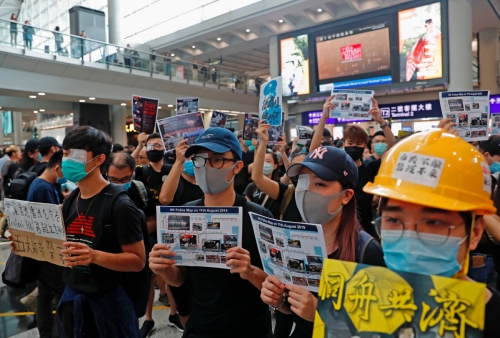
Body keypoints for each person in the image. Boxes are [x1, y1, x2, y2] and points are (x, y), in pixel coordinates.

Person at [363, 128, 500, 337]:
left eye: (433, 222)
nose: (409, 239)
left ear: (474, 232)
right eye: (394, 220)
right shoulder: (360, 303)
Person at [149, 127, 273, 338]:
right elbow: (179, 278)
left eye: (216, 160)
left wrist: (250, 271)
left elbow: (276, 287)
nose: (206, 167)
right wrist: (163, 268)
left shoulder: (259, 217)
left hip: (251, 329)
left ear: (237, 166)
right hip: (200, 328)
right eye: (200, 159)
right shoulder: (186, 215)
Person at [260, 142, 384, 337]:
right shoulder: (293, 242)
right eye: (303, 182)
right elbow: (293, 309)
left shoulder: (367, 251)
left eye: (319, 184)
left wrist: (321, 315)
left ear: (346, 195)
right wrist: (279, 300)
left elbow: (376, 327)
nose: (307, 191)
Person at [57, 126, 145, 337]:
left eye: (75, 154)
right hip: (74, 297)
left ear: (98, 159)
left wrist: (94, 256)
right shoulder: (72, 199)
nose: (67, 160)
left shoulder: (120, 204)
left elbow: (138, 261)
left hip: (108, 302)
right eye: (65, 153)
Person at [310, 95, 396, 239]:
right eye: (350, 144)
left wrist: (381, 121)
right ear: (343, 144)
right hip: (337, 231)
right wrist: (324, 118)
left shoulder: (370, 168)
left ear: (365, 146)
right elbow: (313, 153)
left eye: (358, 144)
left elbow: (396, 148)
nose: (353, 147)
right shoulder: (334, 167)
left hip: (364, 232)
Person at [132, 132, 183, 331]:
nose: (154, 149)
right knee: (148, 277)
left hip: (171, 227)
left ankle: (173, 313)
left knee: (169, 271)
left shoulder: (173, 169)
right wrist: (139, 145)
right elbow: (128, 163)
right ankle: (148, 318)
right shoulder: (141, 172)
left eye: (158, 145)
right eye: (150, 146)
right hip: (148, 229)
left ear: (165, 148)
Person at [104, 152, 157, 337]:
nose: (119, 184)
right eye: (114, 179)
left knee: (132, 309)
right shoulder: (100, 194)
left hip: (136, 259)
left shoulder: (140, 191)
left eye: (125, 179)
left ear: (133, 173)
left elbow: (152, 219)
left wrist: (133, 231)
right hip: (109, 264)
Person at [153, 139, 204, 334]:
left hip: (203, 250)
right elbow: (164, 199)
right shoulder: (177, 180)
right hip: (181, 252)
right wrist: (179, 162)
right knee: (183, 302)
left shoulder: (206, 181)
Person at [26, 150, 66, 338]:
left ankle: (46, 333)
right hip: (49, 252)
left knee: (44, 295)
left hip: (41, 251)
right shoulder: (44, 188)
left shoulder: (40, 183)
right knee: (59, 295)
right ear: (57, 168)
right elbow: (52, 224)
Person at [244, 152, 281, 218]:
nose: (264, 164)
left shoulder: (278, 185)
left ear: (275, 166)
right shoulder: (251, 186)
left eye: (268, 161)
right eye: (262, 161)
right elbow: (247, 207)